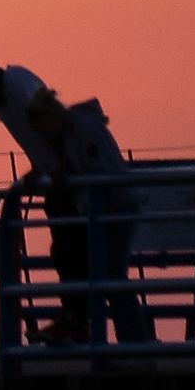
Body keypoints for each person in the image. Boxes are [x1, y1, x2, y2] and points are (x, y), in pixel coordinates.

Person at [29, 90, 152, 344]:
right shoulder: (74, 130)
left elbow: (100, 170)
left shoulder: (82, 129)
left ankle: (135, 342)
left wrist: (74, 182)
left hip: (115, 207)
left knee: (113, 278)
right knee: (108, 277)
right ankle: (131, 341)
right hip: (108, 207)